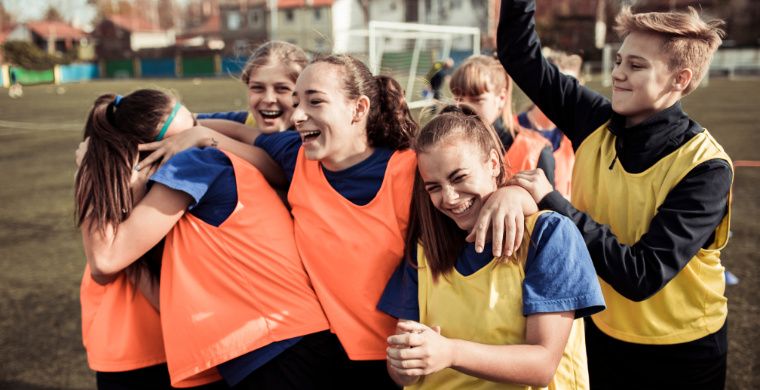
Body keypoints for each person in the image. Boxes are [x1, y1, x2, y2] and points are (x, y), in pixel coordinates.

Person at [140, 53, 536, 388]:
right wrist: (194, 129)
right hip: (332, 355)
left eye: (314, 102)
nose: (297, 115)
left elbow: (487, 178)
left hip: (414, 355)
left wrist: (513, 193)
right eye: (297, 103)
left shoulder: (410, 167)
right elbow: (242, 131)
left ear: (358, 109)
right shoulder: (295, 155)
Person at [498, 1, 732, 388]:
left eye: (636, 66)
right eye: (620, 60)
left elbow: (641, 275)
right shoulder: (593, 119)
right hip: (602, 334)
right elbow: (518, 54)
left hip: (683, 351)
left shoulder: (706, 168)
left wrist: (552, 200)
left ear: (680, 79)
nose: (617, 74)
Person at [76, 89, 332, 389]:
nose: (197, 139)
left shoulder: (197, 163)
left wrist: (90, 172)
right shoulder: (196, 171)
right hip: (276, 343)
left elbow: (106, 260)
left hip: (279, 343)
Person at [378, 105, 604, 389]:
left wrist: (450, 352)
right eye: (433, 187)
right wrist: (404, 365)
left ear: (494, 164)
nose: (449, 197)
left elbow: (543, 365)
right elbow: (401, 370)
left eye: (459, 177)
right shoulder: (424, 250)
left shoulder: (549, 235)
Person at [449, 55, 556, 189]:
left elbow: (550, 209)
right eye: (459, 99)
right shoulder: (448, 147)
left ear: (501, 97)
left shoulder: (536, 152)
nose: (465, 107)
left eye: (477, 99)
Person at [514, 50, 582, 198]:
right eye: (557, 84)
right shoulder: (508, 129)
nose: (563, 92)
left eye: (570, 86)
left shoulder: (578, 139)